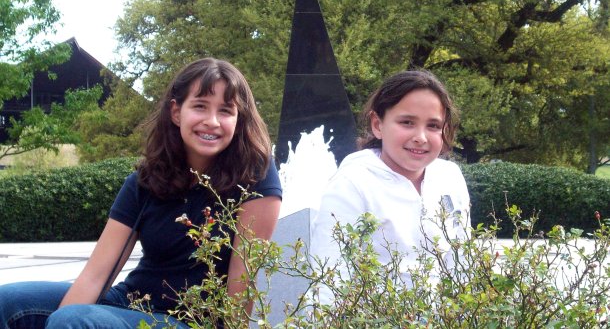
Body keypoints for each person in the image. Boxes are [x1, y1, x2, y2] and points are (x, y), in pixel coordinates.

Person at [0, 58, 282, 328]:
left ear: (238, 117)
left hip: (190, 320)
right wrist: (66, 317)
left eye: (225, 110)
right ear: (176, 112)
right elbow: (97, 276)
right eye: (200, 106)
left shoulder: (255, 176)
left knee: (73, 322)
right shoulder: (147, 180)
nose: (212, 121)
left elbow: (241, 283)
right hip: (130, 302)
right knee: (8, 302)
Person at [310, 69, 470, 301]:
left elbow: (461, 265)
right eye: (407, 122)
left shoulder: (450, 177)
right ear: (378, 124)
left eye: (433, 126)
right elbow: (330, 281)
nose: (421, 137)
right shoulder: (352, 184)